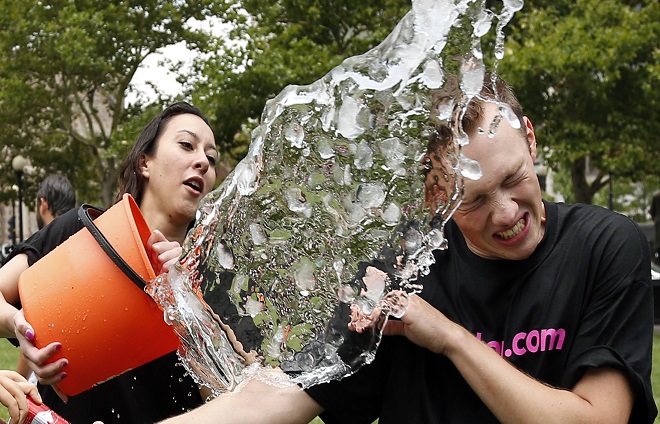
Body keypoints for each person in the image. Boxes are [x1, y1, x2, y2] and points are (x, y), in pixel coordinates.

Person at [155, 75, 656, 424]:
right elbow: (281, 400)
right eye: (474, 200)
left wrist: (450, 338)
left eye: (515, 179)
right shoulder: (402, 269)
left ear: (530, 140)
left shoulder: (605, 246)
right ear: (436, 198)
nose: (506, 213)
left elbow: (600, 419)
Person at [0, 101, 218, 423]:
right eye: (187, 145)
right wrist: (19, 327)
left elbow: (231, 403)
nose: (202, 161)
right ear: (145, 162)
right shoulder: (84, 230)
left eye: (211, 159)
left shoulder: (211, 284)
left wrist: (188, 307)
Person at [15, 173, 75, 381]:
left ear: (43, 204)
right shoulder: (84, 235)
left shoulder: (46, 244)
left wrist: (19, 381)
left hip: (49, 371)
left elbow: (35, 326)